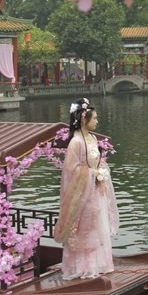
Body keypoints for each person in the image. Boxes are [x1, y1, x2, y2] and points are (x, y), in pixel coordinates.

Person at [53, 98, 119, 279]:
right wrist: (92, 173)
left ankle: (98, 265)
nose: (97, 121)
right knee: (84, 229)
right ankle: (82, 268)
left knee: (97, 227)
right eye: (94, 118)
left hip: (95, 191)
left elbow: (97, 162)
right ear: (84, 119)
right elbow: (71, 171)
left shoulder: (92, 138)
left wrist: (101, 171)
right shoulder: (76, 142)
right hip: (82, 195)